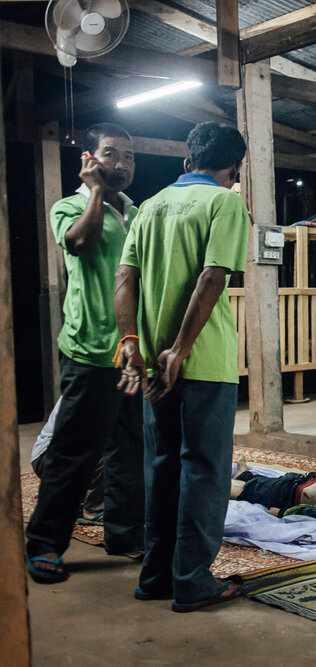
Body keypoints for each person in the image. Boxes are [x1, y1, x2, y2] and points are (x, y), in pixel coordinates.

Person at [116, 121, 250, 612]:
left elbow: (124, 278)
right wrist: (182, 348)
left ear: (186, 162)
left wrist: (132, 342)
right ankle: (193, 581)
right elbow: (214, 276)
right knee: (205, 470)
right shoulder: (225, 202)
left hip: (151, 361)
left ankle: (156, 576)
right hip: (202, 360)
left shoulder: (148, 207)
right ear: (234, 169)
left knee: (162, 466)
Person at [24, 123, 145, 585]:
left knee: (129, 451)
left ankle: (125, 533)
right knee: (74, 454)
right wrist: (95, 192)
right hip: (92, 351)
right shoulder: (71, 205)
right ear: (90, 160)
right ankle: (44, 546)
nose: (122, 164)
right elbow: (80, 244)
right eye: (111, 154)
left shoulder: (136, 213)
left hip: (133, 352)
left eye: (129, 157)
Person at [30, 397, 104, 523]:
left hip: (65, 456)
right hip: (48, 458)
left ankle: (63, 496)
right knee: (111, 452)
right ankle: (94, 509)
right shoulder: (89, 390)